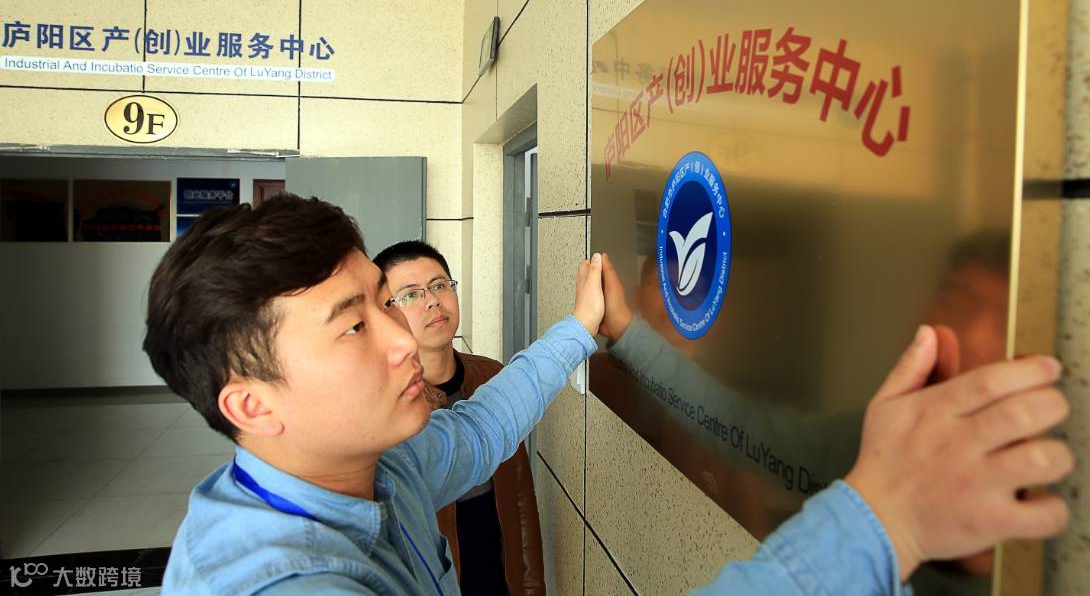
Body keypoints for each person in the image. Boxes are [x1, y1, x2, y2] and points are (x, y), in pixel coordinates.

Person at [144, 195, 1073, 594]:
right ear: (251, 404)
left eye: (391, 300)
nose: (405, 335)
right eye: (355, 324)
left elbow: (487, 423)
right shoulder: (290, 581)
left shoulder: (375, 468)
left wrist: (588, 329)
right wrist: (884, 523)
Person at [373, 240, 544, 596]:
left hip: (499, 580)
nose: (432, 301)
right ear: (385, 313)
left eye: (439, 285)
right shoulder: (383, 408)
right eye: (411, 295)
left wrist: (531, 587)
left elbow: (520, 500)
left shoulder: (492, 376)